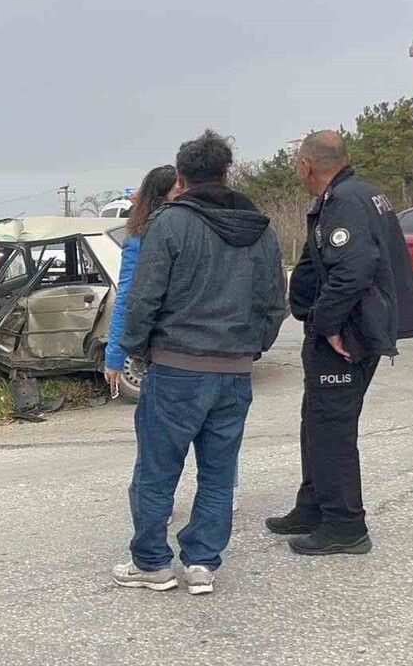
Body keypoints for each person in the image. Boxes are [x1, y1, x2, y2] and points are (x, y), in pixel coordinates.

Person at [114, 130, 287, 595]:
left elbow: (144, 298)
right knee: (218, 472)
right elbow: (276, 302)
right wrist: (253, 347)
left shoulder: (169, 224)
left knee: (156, 471)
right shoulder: (261, 229)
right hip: (234, 371)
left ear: (182, 177)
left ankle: (152, 562)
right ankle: (202, 563)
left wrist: (137, 350)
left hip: (176, 366)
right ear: (227, 172)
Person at [265, 130, 413, 555]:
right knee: (317, 419)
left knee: (332, 426)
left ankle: (345, 525)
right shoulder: (360, 193)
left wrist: (328, 323)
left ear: (306, 165)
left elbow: (354, 268)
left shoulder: (345, 201)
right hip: (351, 328)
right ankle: (314, 506)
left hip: (348, 334)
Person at [103, 165, 177, 397]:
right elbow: (127, 296)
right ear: (161, 196)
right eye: (178, 191)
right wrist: (115, 356)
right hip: (165, 345)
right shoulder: (141, 237)